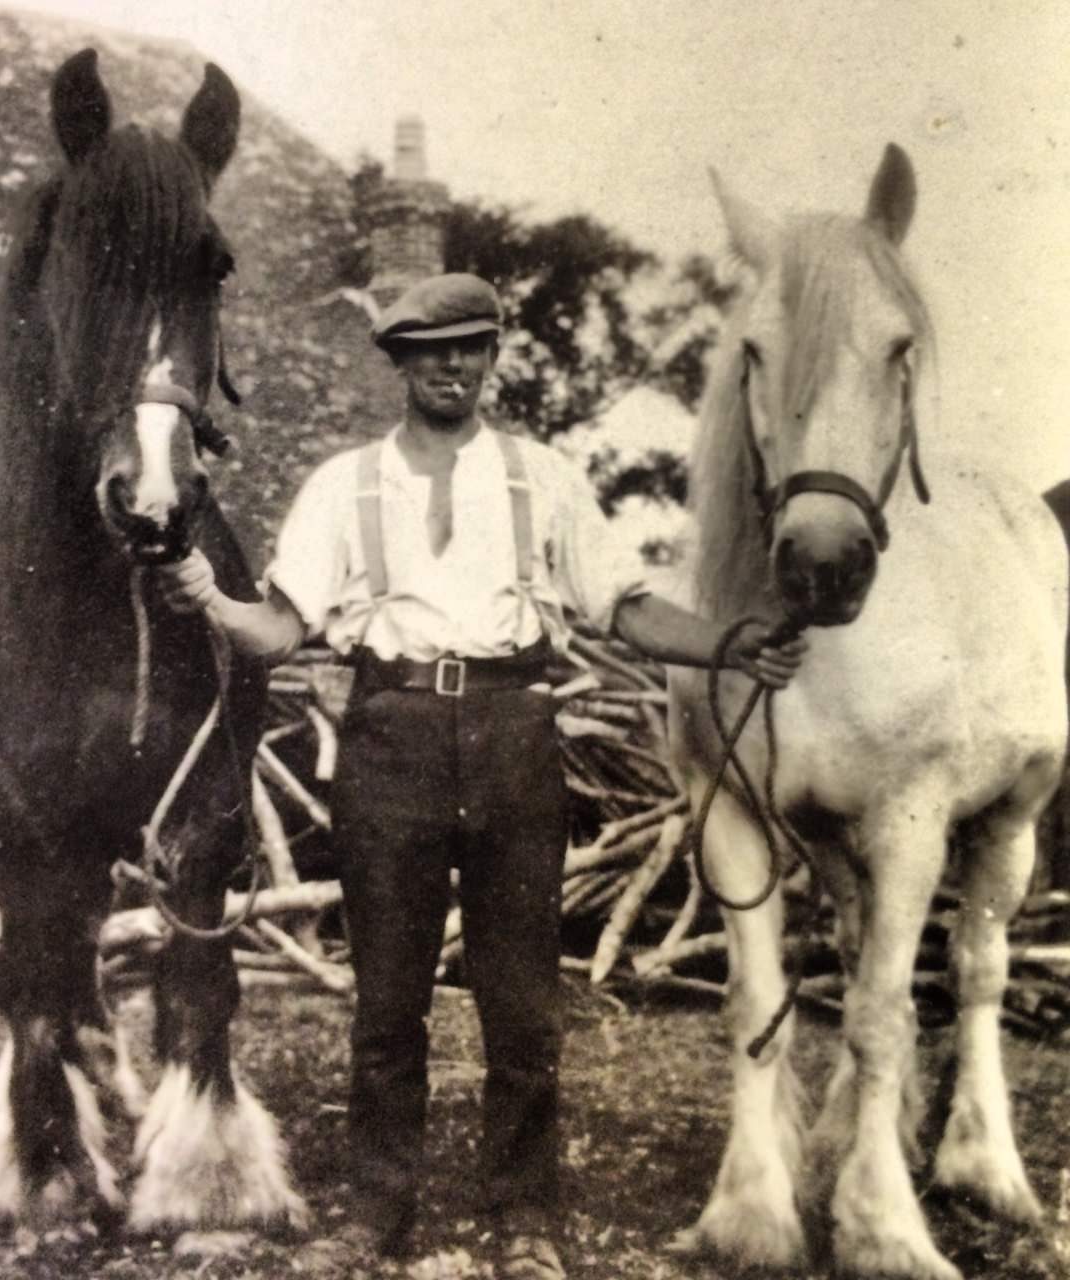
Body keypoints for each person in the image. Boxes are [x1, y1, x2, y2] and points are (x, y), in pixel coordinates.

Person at [159, 273, 805, 1277]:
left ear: (492, 355)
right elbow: (277, 629)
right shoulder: (342, 483)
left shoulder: (543, 477)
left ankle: (526, 1219)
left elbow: (623, 607)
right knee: (385, 1004)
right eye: (428, 350)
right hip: (389, 734)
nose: (449, 365)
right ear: (400, 364)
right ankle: (375, 1215)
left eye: (468, 346)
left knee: (520, 1004)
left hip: (513, 731)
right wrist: (207, 595)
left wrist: (728, 641)